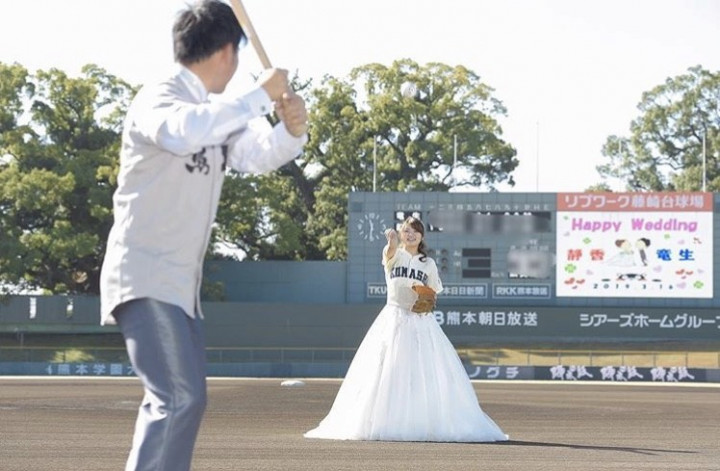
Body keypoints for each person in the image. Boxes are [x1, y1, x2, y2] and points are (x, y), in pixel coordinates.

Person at [98, 1, 308, 469]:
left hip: (179, 290)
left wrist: (292, 131)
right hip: (145, 273)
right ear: (226, 54)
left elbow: (255, 154)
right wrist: (257, 97)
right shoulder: (160, 97)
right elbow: (182, 133)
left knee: (186, 400)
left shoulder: (218, 111)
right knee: (177, 397)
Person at [305, 216, 508, 442]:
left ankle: (423, 421)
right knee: (387, 369)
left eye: (415, 231)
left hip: (420, 320)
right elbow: (389, 254)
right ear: (401, 234)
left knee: (424, 372)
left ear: (422, 236)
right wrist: (391, 241)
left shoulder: (427, 263)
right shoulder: (394, 254)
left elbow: (434, 291)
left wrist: (427, 297)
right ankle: (382, 420)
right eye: (406, 230)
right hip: (393, 316)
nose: (411, 234)